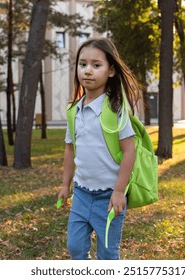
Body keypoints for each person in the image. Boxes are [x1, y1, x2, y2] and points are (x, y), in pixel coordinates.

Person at [57, 37, 140, 260]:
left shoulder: (116, 109)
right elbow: (69, 149)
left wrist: (119, 191)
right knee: (75, 247)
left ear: (111, 71)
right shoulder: (74, 111)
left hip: (109, 196)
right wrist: (65, 185)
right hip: (82, 193)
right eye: (83, 64)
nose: (88, 71)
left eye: (96, 65)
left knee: (107, 254)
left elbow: (129, 151)